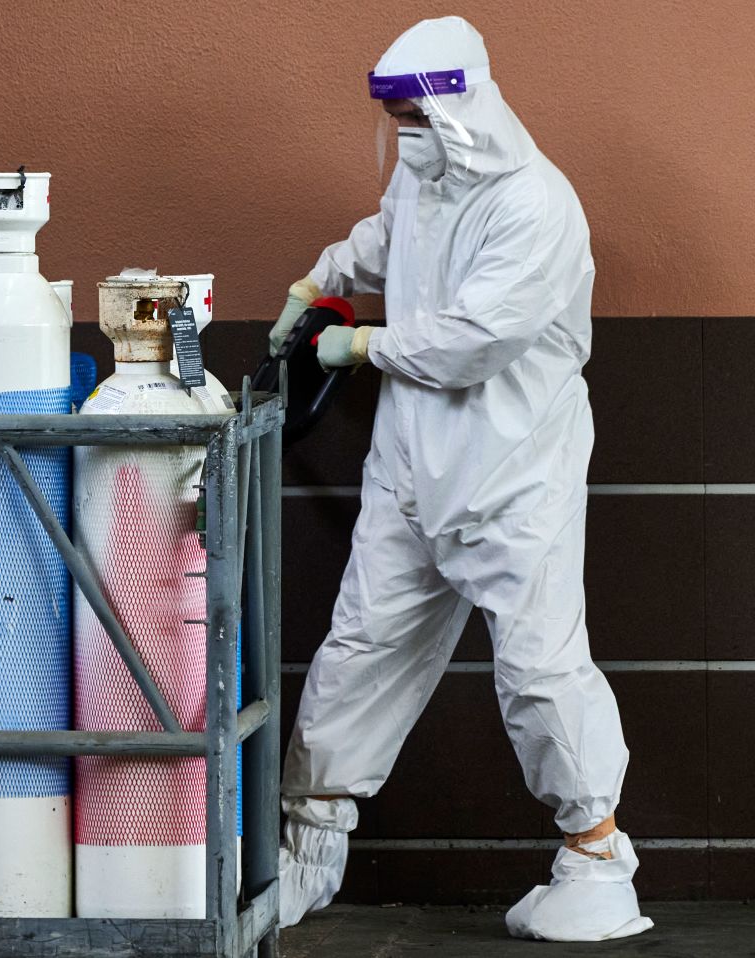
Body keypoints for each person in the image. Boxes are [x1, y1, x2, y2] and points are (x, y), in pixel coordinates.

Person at [270, 16, 653, 943]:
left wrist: (359, 341)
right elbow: (388, 237)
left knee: (537, 669)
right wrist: (323, 277)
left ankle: (597, 859)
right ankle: (304, 858)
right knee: (359, 651)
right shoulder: (424, 174)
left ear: (460, 105)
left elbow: (472, 342)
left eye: (413, 113)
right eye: (393, 116)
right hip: (409, 473)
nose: (402, 131)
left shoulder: (537, 206)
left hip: (513, 476)